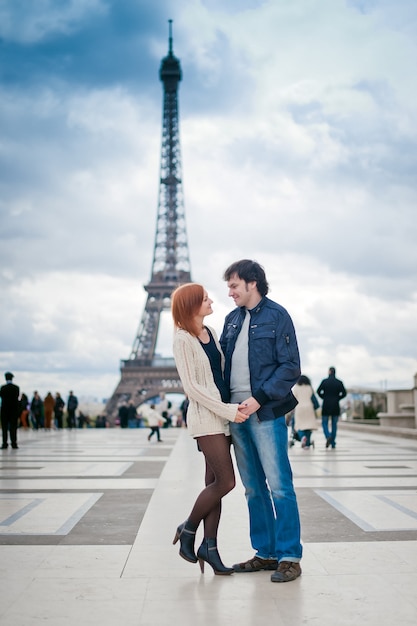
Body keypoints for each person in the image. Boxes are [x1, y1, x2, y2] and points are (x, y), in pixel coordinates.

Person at [220, 259, 303, 583]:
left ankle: (289, 556)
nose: (230, 293)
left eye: (234, 286)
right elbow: (222, 365)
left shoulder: (277, 316)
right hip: (237, 413)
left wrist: (260, 398)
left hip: (265, 411)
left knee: (280, 486)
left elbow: (290, 366)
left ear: (252, 283)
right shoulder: (231, 320)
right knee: (253, 488)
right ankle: (266, 552)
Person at [171, 282, 249, 575]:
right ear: (191, 305)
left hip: (222, 418)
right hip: (207, 419)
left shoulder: (210, 333)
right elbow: (192, 387)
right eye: (204, 299)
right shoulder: (182, 340)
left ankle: (210, 548)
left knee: (213, 486)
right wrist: (228, 410)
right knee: (226, 483)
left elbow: (219, 375)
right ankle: (189, 529)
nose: (210, 300)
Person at [317, 366, 347, 449]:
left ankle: (328, 436)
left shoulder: (324, 381)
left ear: (329, 372)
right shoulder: (339, 382)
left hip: (326, 405)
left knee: (324, 423)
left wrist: (324, 397)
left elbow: (318, 391)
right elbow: (344, 393)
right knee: (334, 424)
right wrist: (337, 398)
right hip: (335, 406)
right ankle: (333, 442)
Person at [292, 375, 318, 449]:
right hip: (309, 408)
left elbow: (293, 399)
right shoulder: (309, 388)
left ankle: (303, 438)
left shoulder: (296, 388)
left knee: (299, 426)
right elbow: (314, 399)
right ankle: (307, 445)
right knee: (308, 427)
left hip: (299, 408)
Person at [0, 371, 20, 449]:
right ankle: (14, 443)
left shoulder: (3, 388)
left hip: (4, 410)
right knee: (13, 427)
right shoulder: (16, 388)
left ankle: (4, 443)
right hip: (13, 411)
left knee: (4, 428)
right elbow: (17, 397)